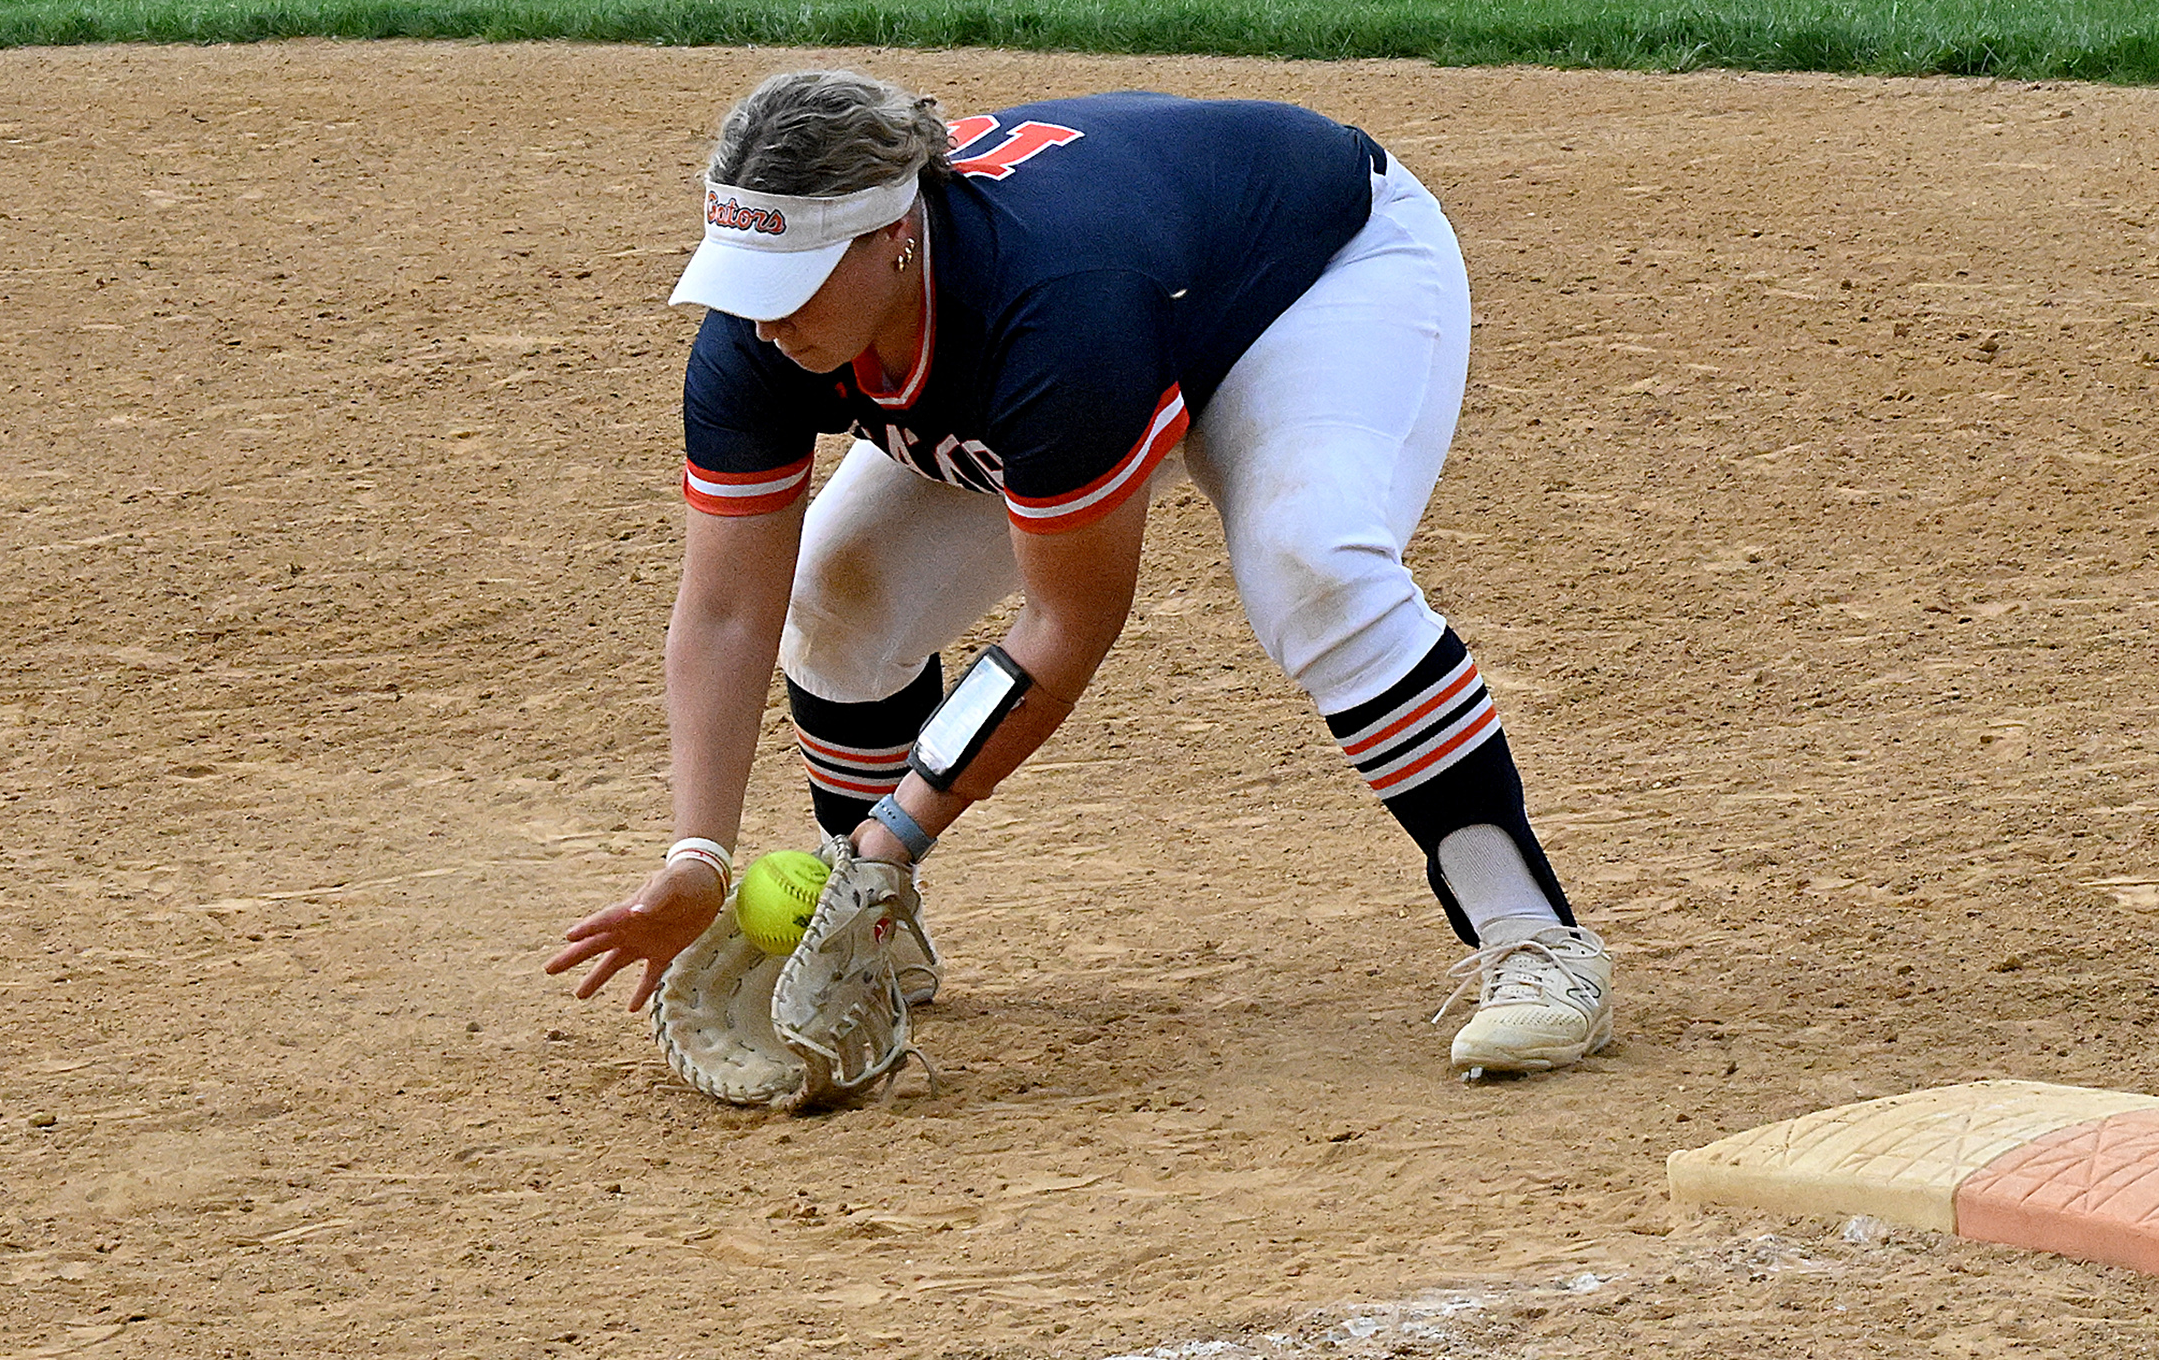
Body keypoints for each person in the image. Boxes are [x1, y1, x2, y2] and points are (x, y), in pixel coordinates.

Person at [544, 68, 1613, 1079]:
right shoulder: (764, 338)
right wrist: (698, 853)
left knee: (1311, 560)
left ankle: (1532, 934)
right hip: (1097, 315)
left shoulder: (1057, 304)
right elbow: (732, 609)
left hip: (1306, 277)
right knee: (838, 588)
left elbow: (1073, 616)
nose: (766, 315)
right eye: (745, 282)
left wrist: (897, 833)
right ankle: (864, 930)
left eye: (793, 278)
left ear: (894, 234)